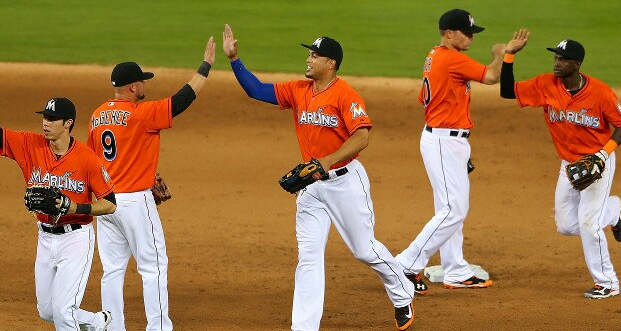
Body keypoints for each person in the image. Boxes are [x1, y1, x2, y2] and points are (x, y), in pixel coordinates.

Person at [222, 24, 415, 331]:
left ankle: (402, 291)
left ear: (331, 64)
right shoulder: (298, 90)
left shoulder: (345, 95)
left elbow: (362, 136)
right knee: (309, 258)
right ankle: (304, 327)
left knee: (364, 250)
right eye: (309, 54)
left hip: (345, 182)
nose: (309, 59)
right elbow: (256, 90)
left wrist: (326, 161)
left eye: (315, 55)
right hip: (311, 188)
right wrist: (234, 59)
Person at [87, 37, 216, 330]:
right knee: (153, 267)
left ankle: (112, 326)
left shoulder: (96, 117)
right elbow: (183, 99)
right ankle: (158, 328)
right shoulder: (141, 113)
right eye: (142, 82)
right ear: (133, 87)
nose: (145, 85)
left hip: (105, 204)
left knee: (112, 270)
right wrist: (205, 66)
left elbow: (92, 162)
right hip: (135, 202)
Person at [500, 32, 621, 299]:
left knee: (588, 225)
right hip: (569, 164)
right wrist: (509, 55)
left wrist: (604, 155)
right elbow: (506, 91)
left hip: (598, 162)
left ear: (577, 64)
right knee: (566, 225)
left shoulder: (600, 93)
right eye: (556, 57)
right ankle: (613, 212)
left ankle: (607, 282)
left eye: (563, 59)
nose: (556, 63)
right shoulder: (545, 84)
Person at [396, 9, 513, 292]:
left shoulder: (435, 55)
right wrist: (503, 53)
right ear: (449, 33)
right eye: (466, 32)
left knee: (448, 208)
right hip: (443, 140)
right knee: (453, 210)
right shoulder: (452, 59)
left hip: (446, 138)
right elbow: (491, 77)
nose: (471, 37)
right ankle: (406, 264)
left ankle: (455, 269)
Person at [1, 97, 116, 331]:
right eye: (45, 117)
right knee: (47, 311)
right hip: (44, 238)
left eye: (52, 119)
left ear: (68, 123)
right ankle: (97, 322)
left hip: (75, 240)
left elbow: (110, 204)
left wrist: (75, 208)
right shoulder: (29, 144)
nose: (45, 123)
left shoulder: (87, 159)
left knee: (63, 312)